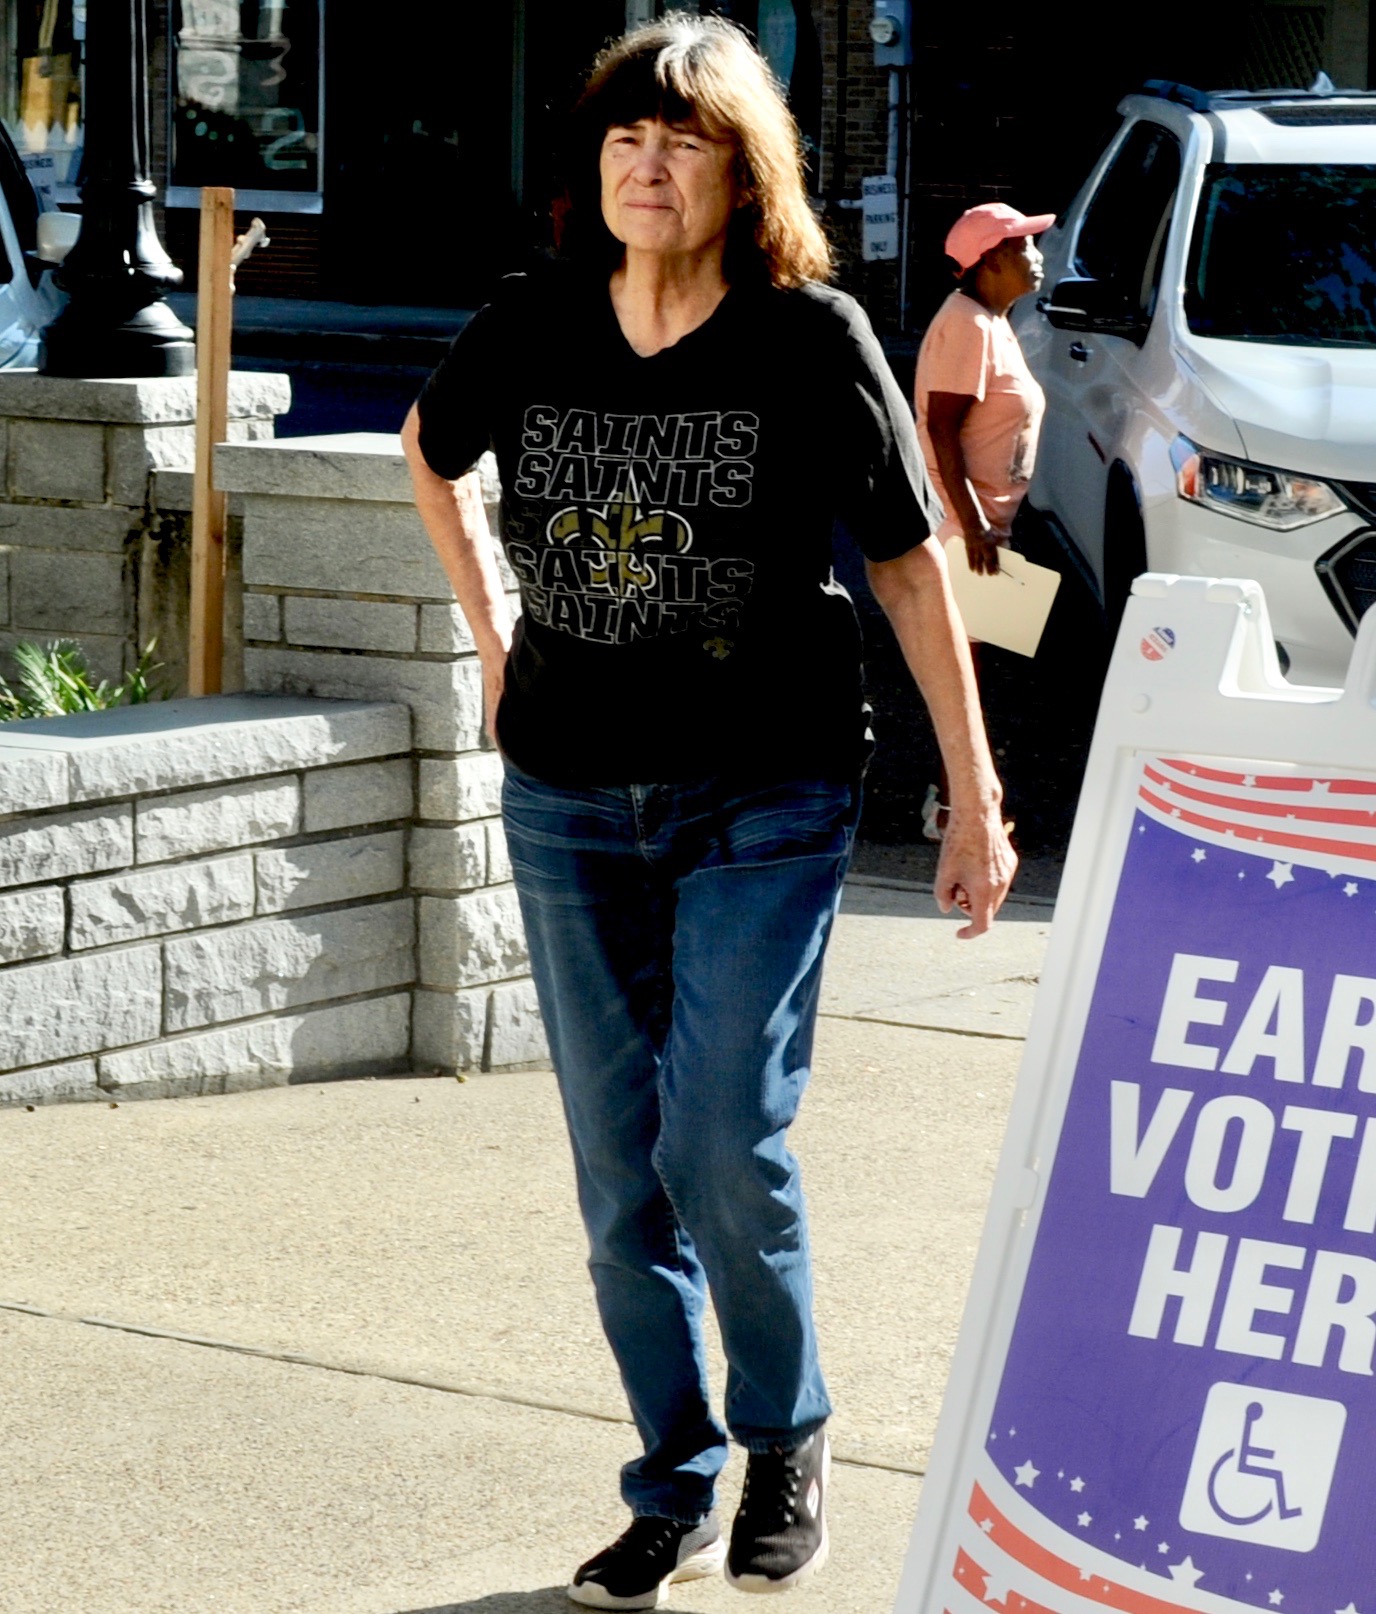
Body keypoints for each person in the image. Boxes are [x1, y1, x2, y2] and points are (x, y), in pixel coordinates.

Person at [400, 16, 1015, 1608]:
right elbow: (429, 447)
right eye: (623, 138)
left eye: (682, 139)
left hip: (767, 781)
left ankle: (784, 1431)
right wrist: (490, 641)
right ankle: (669, 1477)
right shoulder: (535, 318)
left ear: (746, 174)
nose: (646, 163)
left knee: (721, 1128)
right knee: (619, 1166)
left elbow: (902, 558)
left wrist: (972, 790)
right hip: (569, 791)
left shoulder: (804, 337)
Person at [910, 202, 1050, 840]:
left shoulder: (992, 321)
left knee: (975, 676)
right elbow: (939, 428)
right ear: (990, 259)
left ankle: (957, 800)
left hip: (986, 530)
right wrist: (972, 529)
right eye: (1024, 246)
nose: (1037, 256)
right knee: (959, 680)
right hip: (963, 533)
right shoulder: (966, 322)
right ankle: (953, 811)